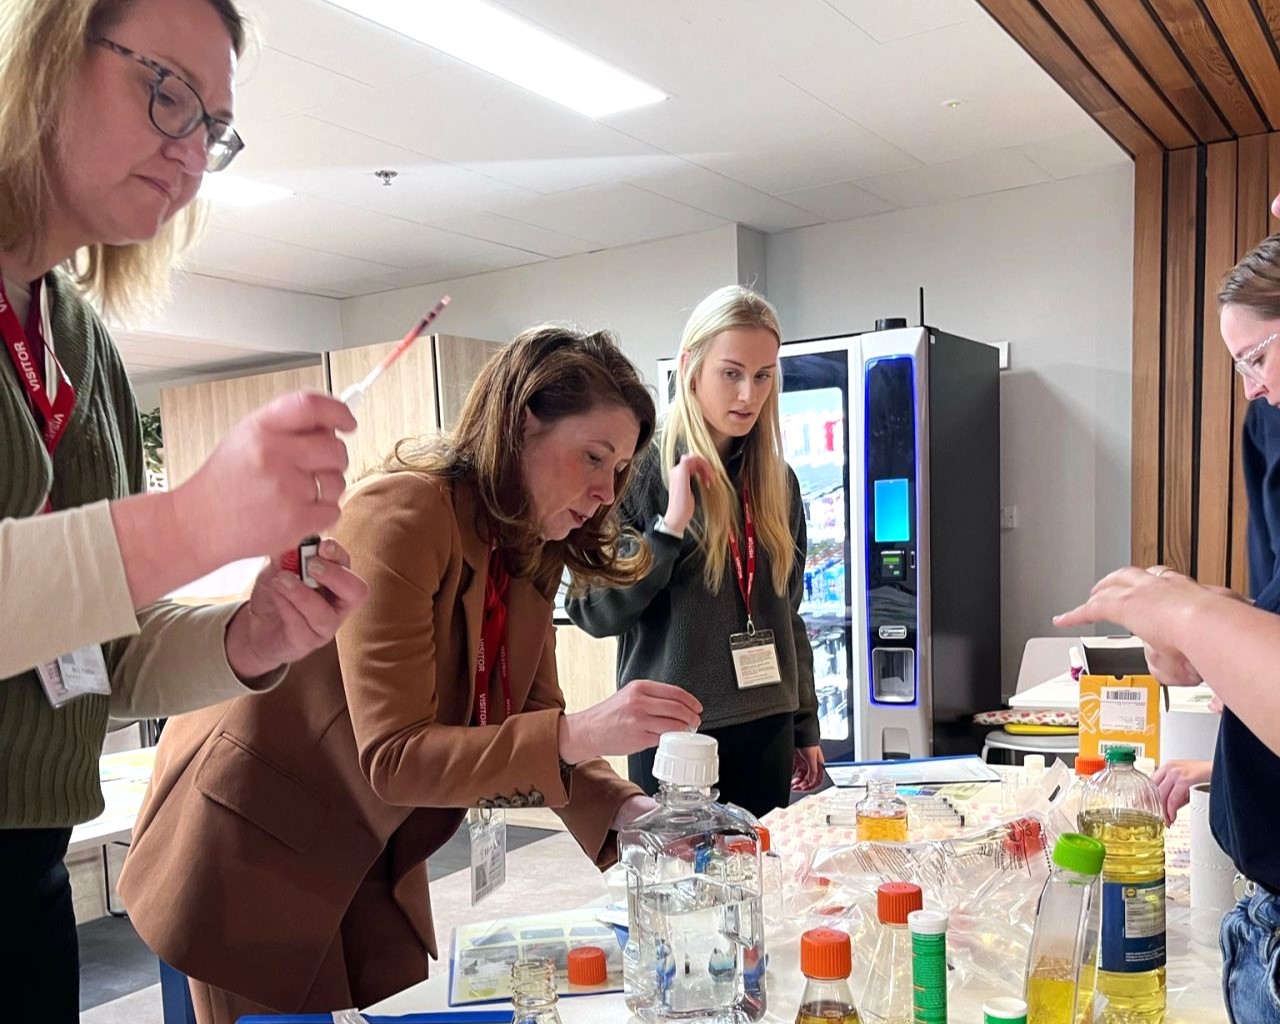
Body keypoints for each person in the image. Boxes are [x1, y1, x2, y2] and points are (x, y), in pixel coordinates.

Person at [118, 326, 703, 1024]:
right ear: (523, 423)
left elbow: (536, 716)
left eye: (620, 471)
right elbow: (396, 756)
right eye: (593, 458)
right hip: (252, 836)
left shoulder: (526, 547)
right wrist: (581, 731)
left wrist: (627, 812)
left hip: (352, 834)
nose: (605, 493)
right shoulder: (404, 512)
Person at [0, 1, 368, 1017]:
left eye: (210, 125)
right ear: (40, 55)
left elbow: (97, 657)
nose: (188, 150)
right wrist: (194, 522)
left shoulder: (81, 342)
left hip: (25, 872)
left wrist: (248, 637)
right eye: (164, 90)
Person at [1056, 228, 1280, 1023]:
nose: (1251, 389)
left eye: (1256, 358)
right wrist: (1213, 630)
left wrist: (1186, 613)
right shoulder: (1272, 435)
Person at [566, 286, 822, 819]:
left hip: (768, 722)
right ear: (690, 366)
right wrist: (670, 529)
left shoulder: (779, 482)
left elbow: (787, 612)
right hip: (675, 735)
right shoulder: (637, 469)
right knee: (679, 890)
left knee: (762, 888)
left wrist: (804, 722)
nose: (748, 395)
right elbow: (593, 610)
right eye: (731, 372)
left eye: (763, 375)